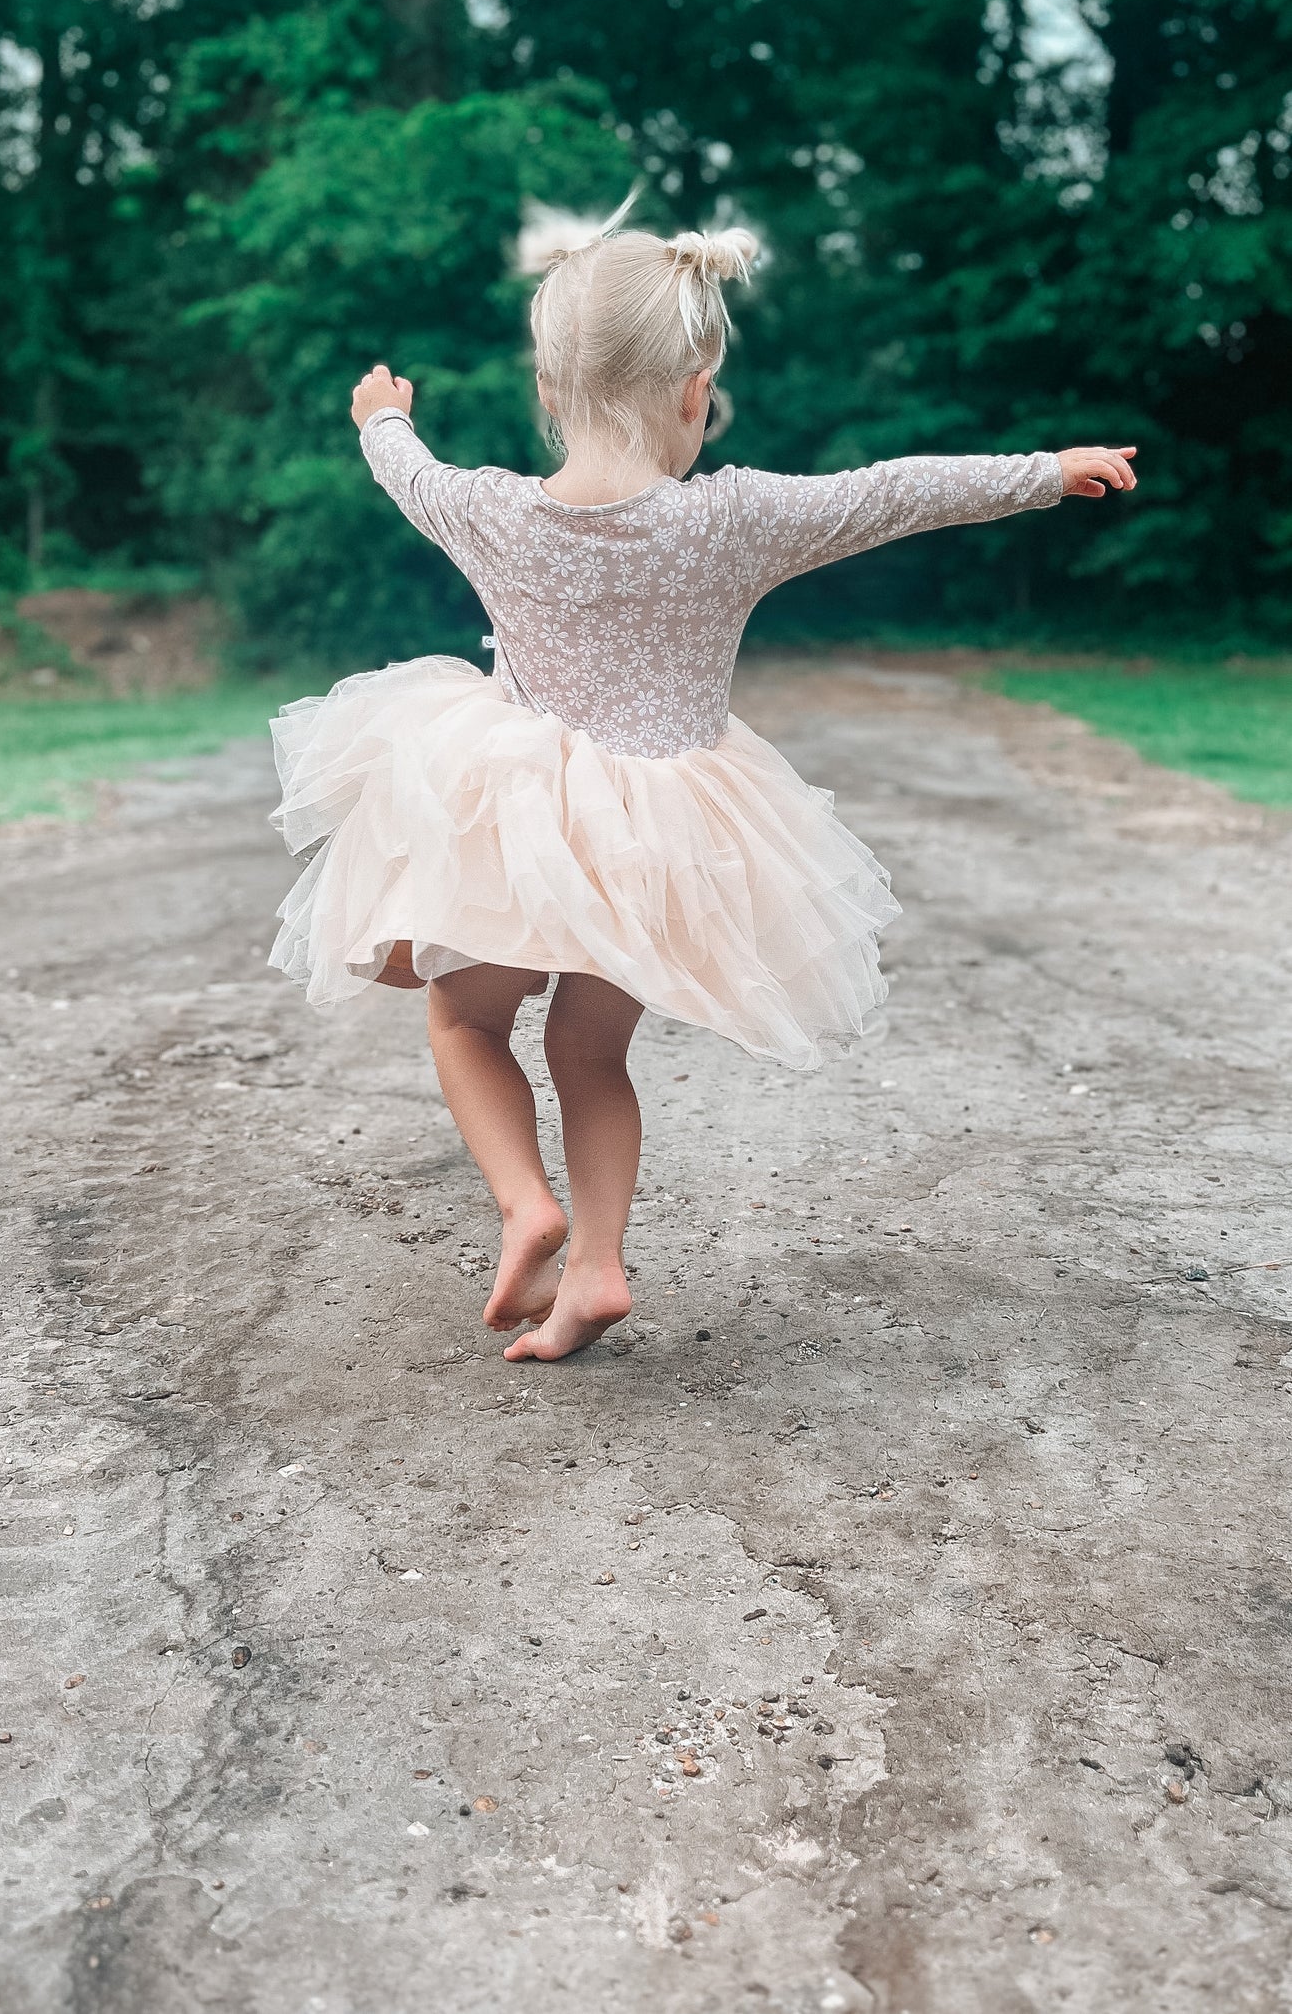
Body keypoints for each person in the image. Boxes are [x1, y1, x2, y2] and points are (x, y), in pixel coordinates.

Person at [269, 203, 1136, 1362]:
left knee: (463, 1017)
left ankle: (527, 1205)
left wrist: (381, 416)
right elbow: (890, 491)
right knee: (590, 1051)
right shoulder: (730, 520)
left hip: (507, 817)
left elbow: (404, 472)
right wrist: (1042, 471)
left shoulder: (489, 510)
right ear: (693, 391)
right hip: (657, 838)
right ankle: (597, 1264)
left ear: (546, 388)